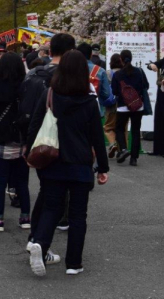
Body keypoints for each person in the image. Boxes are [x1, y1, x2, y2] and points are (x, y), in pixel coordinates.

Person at [27, 50, 109, 277]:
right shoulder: (90, 102)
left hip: (53, 162)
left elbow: (34, 125)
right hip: (81, 164)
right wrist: (103, 168)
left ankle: (40, 245)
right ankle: (74, 263)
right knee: (77, 215)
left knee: (52, 208)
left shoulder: (50, 95)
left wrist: (28, 152)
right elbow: (97, 138)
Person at [21, 33, 76, 244]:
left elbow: (29, 113)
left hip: (41, 143)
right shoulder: (74, 77)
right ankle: (39, 240)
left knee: (47, 192)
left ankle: (36, 236)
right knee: (56, 199)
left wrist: (28, 144)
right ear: (72, 51)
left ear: (50, 51)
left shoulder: (33, 74)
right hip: (67, 145)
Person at [0, 52, 30, 232]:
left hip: (1, 139)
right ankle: (25, 217)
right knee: (21, 182)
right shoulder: (24, 87)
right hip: (20, 139)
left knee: (0, 180)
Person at [111, 49, 150, 166]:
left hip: (123, 106)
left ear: (121, 60)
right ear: (131, 58)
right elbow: (146, 86)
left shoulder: (118, 74)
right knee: (135, 131)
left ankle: (123, 149)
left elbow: (115, 91)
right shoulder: (139, 71)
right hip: (137, 106)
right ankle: (134, 158)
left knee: (119, 128)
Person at [77, 43, 112, 114]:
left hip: (76, 112)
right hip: (96, 111)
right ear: (90, 55)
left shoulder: (71, 69)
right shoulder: (101, 71)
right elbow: (107, 94)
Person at [105, 53, 125, 158]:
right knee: (123, 128)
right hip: (124, 105)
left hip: (111, 105)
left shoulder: (108, 73)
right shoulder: (125, 72)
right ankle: (123, 149)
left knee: (108, 127)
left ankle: (113, 144)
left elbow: (104, 89)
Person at [148, 57, 164, 156]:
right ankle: (158, 149)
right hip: (162, 93)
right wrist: (152, 66)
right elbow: (152, 65)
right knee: (159, 119)